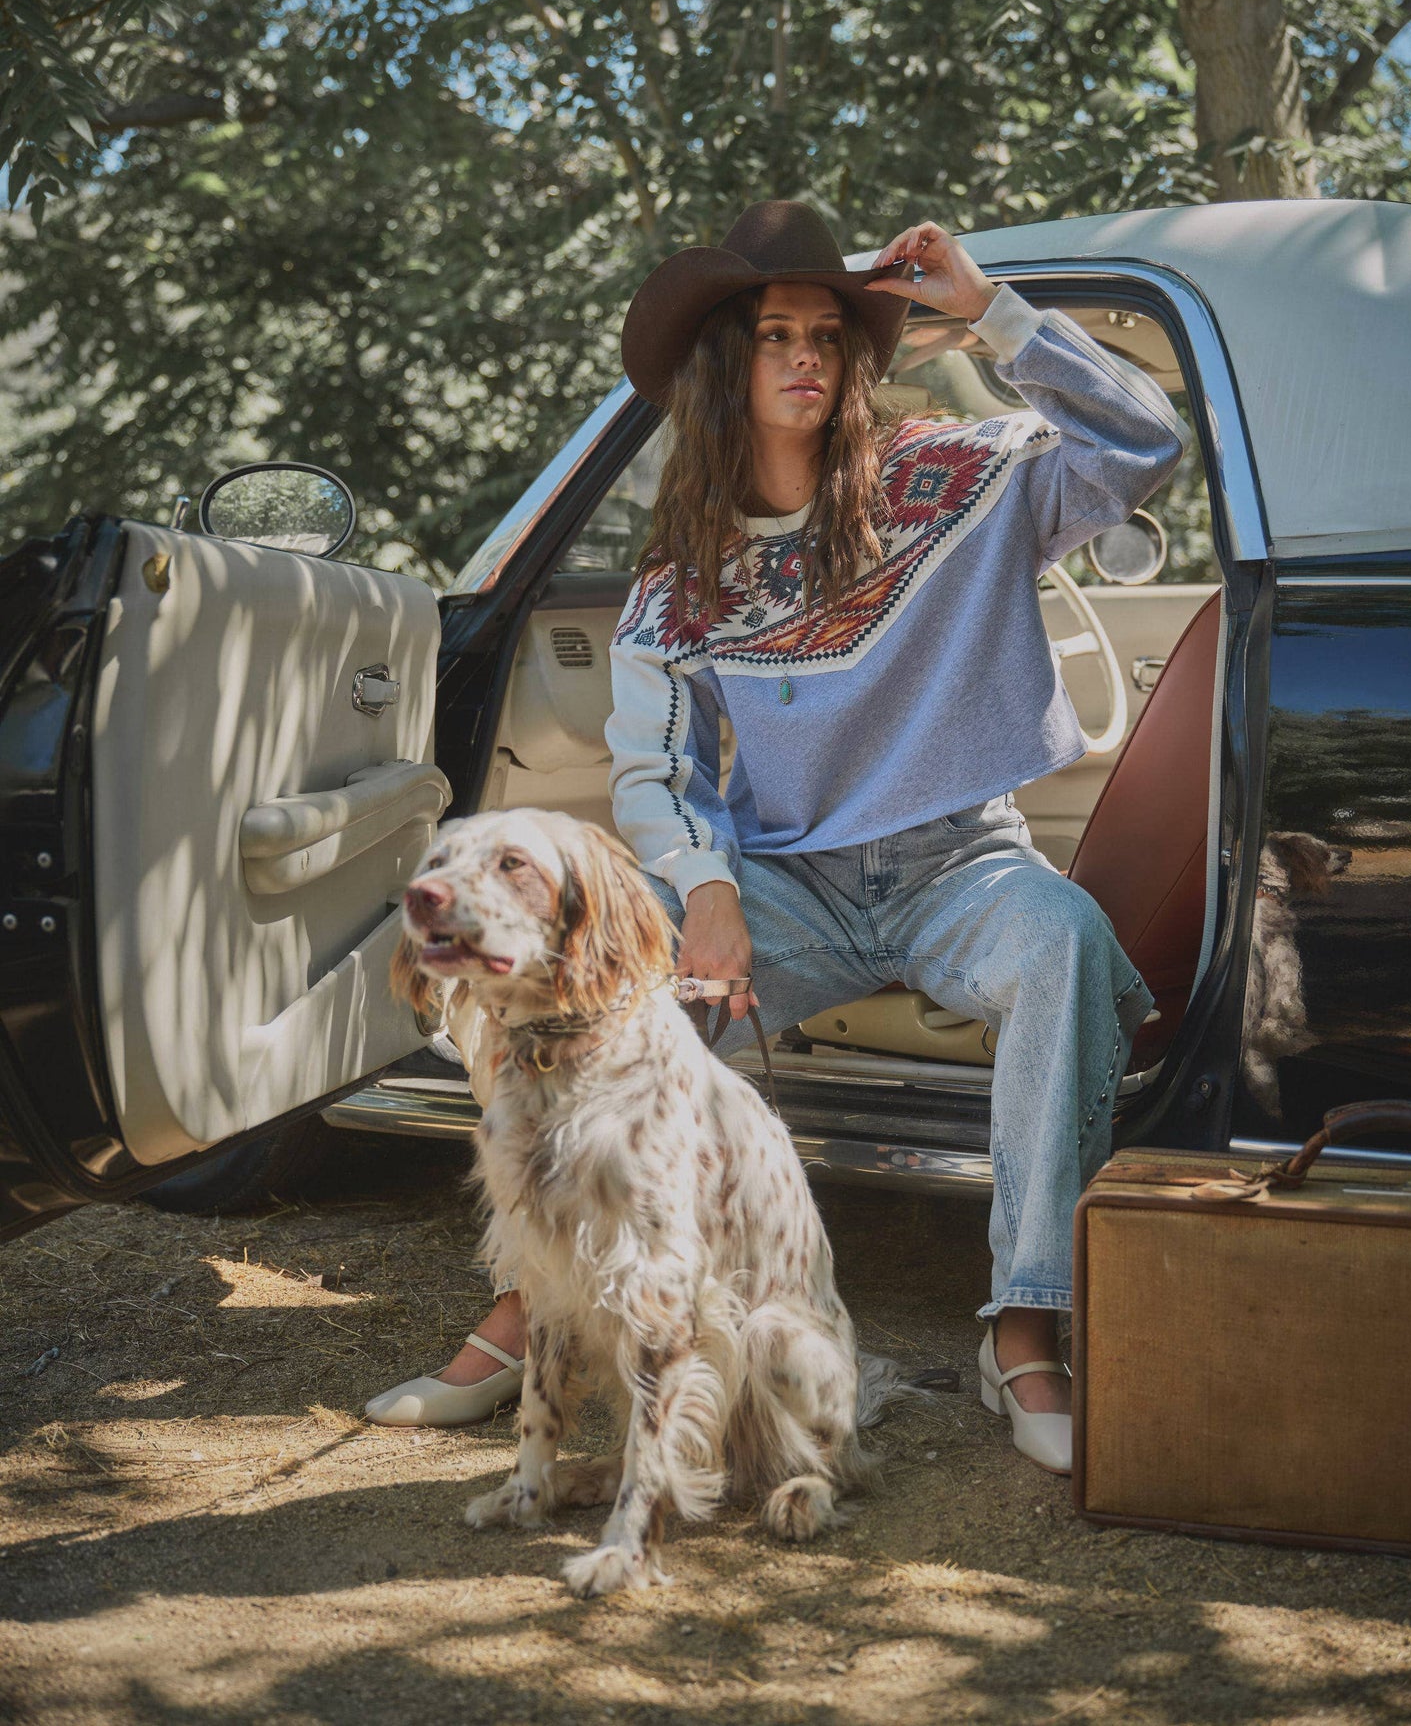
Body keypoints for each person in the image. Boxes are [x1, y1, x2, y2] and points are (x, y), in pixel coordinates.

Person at [367, 201, 1184, 1472]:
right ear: (723, 367)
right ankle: (541, 1306)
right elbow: (657, 766)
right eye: (772, 336)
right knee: (602, 989)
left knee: (1063, 942)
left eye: (825, 334)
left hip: (959, 864)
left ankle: (1025, 1326)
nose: (805, 355)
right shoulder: (679, 578)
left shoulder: (949, 480)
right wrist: (705, 890)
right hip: (783, 880)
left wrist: (988, 309)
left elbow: (1139, 440)